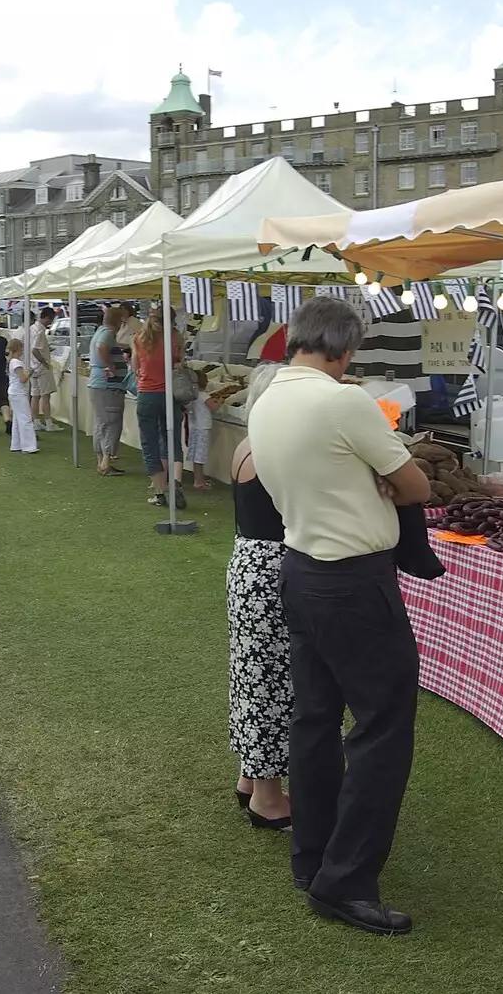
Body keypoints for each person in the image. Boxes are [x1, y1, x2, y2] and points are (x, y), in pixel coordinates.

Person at [247, 297, 430, 937]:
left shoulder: (267, 398)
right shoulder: (343, 400)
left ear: (295, 338)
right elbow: (417, 487)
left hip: (300, 567)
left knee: (316, 719)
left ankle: (314, 855)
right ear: (346, 348)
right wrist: (381, 480)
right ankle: (345, 880)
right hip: (352, 577)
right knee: (381, 728)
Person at [224, 373, 292, 833]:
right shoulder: (275, 452)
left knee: (252, 672)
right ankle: (268, 798)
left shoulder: (245, 445)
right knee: (272, 680)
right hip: (274, 572)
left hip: (247, 562)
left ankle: (251, 778)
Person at [132, 305, 186, 510]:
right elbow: (181, 363)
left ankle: (159, 492)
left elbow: (135, 368)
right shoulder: (176, 338)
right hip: (170, 394)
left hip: (147, 394)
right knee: (172, 440)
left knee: (149, 444)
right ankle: (177, 483)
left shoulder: (139, 338)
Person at [88, 305, 129, 476]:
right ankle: (106, 462)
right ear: (118, 321)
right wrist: (110, 365)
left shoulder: (100, 331)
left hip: (98, 385)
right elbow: (101, 346)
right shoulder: (107, 333)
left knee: (101, 423)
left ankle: (101, 461)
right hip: (108, 386)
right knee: (112, 423)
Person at [21, 308, 58, 432]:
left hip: (32, 366)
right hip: (40, 367)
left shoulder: (31, 329)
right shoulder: (39, 331)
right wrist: (44, 362)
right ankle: (49, 423)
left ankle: (36, 421)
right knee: (45, 396)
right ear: (47, 317)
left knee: (35, 395)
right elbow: (34, 350)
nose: (51, 323)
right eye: (51, 320)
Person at [6, 337, 38, 454]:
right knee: (25, 418)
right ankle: (29, 446)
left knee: (17, 418)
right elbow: (23, 378)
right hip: (18, 392)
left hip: (15, 392)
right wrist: (29, 372)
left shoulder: (12, 362)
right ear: (18, 349)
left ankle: (17, 444)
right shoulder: (16, 362)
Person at [188, 368, 214, 491]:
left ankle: (198, 479)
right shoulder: (204, 396)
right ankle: (199, 482)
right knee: (200, 456)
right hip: (203, 428)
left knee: (195, 455)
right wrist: (220, 401)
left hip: (194, 427)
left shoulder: (192, 395)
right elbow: (214, 407)